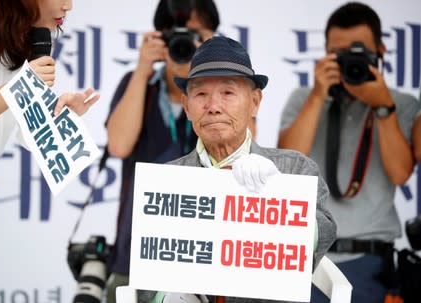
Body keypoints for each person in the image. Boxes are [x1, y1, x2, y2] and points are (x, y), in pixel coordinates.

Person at [136, 35, 337, 303]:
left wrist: (280, 197)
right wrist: (168, 295)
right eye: (200, 94)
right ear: (186, 106)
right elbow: (146, 282)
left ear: (254, 102)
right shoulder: (168, 181)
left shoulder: (294, 168)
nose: (213, 107)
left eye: (228, 93)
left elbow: (325, 232)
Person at [278, 2, 421, 302]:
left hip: (369, 263)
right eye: (338, 54)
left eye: (358, 53)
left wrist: (382, 106)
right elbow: (286, 164)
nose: (348, 63)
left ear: (380, 52)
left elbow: (400, 172)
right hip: (305, 258)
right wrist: (318, 96)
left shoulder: (401, 104)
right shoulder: (305, 98)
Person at [0, 1, 99, 302]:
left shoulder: (34, 35)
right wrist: (18, 89)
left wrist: (61, 115)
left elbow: (24, 122)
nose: (68, 5)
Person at [105, 1, 219, 301]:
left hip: (207, 255)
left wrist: (211, 72)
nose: (185, 43)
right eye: (175, 34)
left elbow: (238, 151)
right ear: (159, 38)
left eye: (196, 35)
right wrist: (143, 70)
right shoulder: (136, 84)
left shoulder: (223, 93)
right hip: (136, 252)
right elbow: (118, 145)